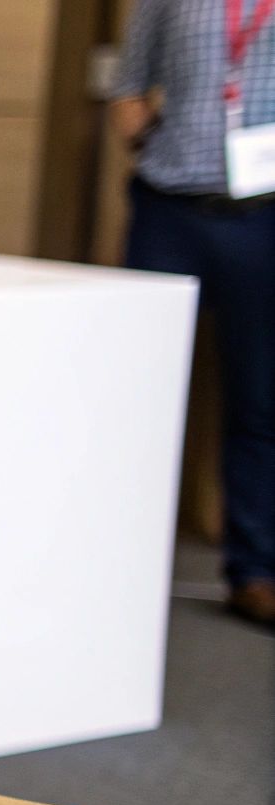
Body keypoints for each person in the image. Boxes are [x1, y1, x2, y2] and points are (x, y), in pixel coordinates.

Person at [112, 0, 275, 625]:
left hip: (262, 215)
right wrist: (150, 139)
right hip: (170, 209)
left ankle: (254, 570)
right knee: (139, 395)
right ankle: (120, 559)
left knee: (258, 398)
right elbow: (129, 88)